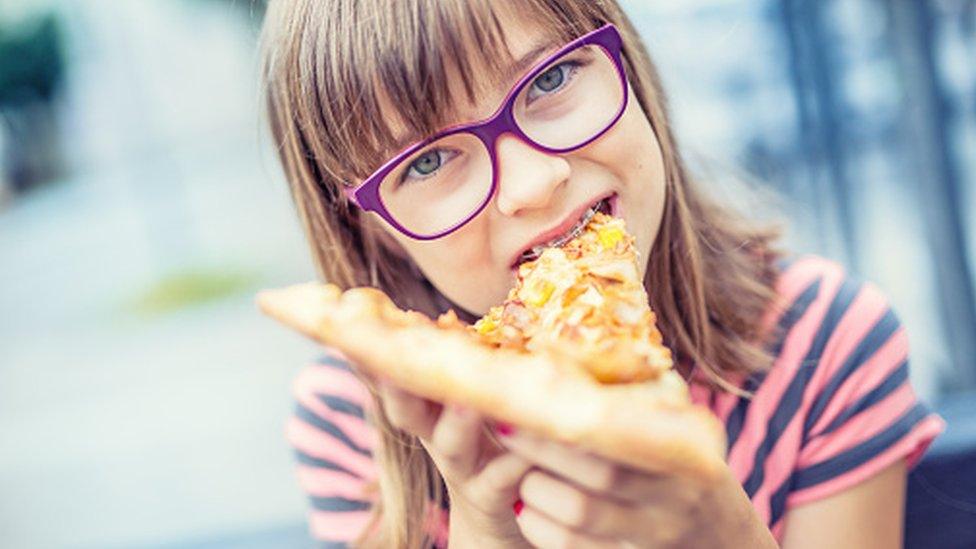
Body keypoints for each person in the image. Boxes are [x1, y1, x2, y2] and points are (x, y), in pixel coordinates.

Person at [259, 1, 944, 547]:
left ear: (628, 61)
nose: (532, 182)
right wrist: (485, 529)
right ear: (370, 228)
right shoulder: (358, 419)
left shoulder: (827, 344)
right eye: (430, 162)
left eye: (551, 79)